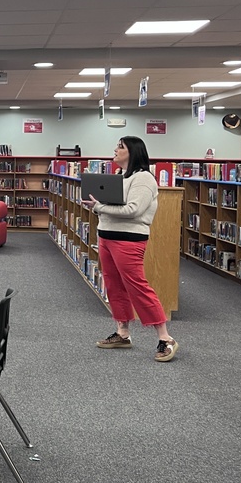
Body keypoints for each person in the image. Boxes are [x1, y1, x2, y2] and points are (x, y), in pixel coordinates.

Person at [81, 136, 179, 362]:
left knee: (137, 285)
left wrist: (100, 207)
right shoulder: (119, 177)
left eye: (120, 147)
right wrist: (96, 208)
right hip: (106, 236)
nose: (114, 150)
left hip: (129, 238)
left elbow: (134, 210)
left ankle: (166, 338)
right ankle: (123, 332)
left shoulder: (144, 179)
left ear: (132, 152)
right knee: (114, 286)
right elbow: (109, 209)